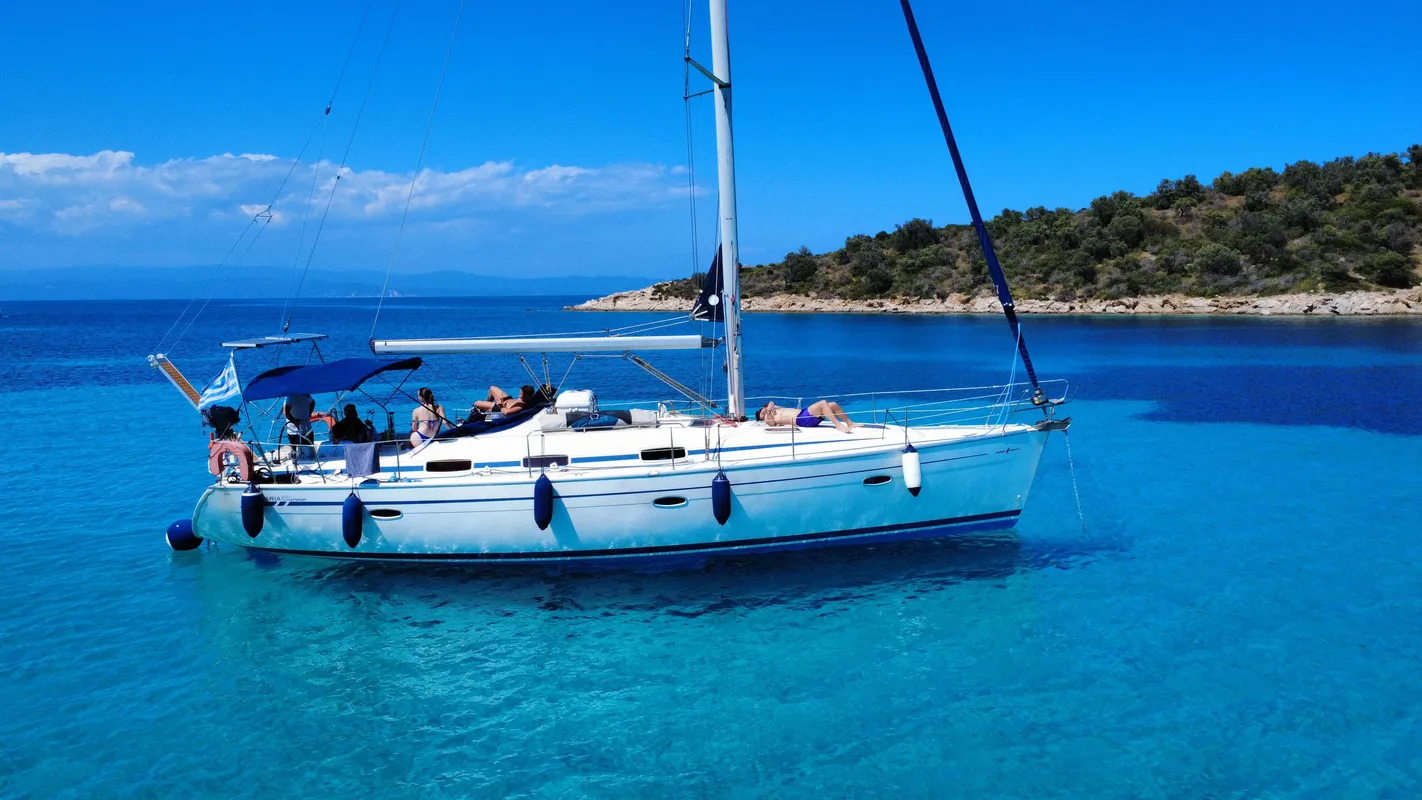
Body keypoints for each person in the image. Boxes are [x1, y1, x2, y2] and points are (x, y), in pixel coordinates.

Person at [756, 399, 856, 433]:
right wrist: (767, 411)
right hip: (801, 419)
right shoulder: (767, 418)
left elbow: (771, 402)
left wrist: (772, 408)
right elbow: (771, 424)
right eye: (761, 412)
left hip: (804, 415)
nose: (763, 409)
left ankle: (850, 423)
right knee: (822, 403)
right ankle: (838, 425)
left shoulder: (774, 411)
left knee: (833, 404)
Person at [284, 392, 316, 460]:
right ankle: (295, 458)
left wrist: (309, 413)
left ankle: (308, 458)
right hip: (293, 429)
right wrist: (294, 421)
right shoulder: (290, 397)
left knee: (309, 449)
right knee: (296, 449)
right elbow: (286, 411)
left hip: (306, 427)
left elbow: (312, 403)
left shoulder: (306, 394)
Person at [473, 384, 538, 416]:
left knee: (477, 403)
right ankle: (484, 409)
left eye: (521, 393)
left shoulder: (520, 406)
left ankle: (483, 410)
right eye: (520, 392)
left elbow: (507, 413)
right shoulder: (527, 398)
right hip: (508, 400)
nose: (520, 394)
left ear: (527, 395)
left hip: (500, 408)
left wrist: (501, 406)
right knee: (492, 388)